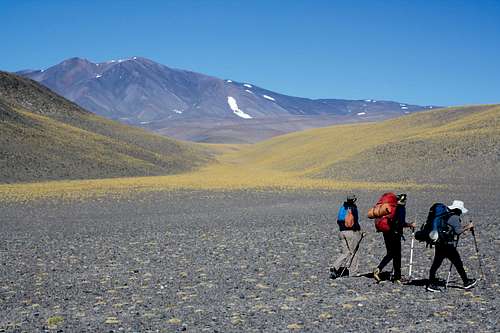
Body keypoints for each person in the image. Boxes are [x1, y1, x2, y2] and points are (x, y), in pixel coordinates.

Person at [426, 200, 477, 292]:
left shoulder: (445, 215)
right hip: (448, 245)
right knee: (458, 263)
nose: (461, 212)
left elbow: (453, 229)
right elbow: (457, 231)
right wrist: (468, 227)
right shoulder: (454, 217)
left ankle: (431, 283)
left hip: (440, 243)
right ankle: (466, 282)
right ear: (458, 210)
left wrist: (463, 228)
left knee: (436, 264)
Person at [373, 193, 416, 284]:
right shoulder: (400, 209)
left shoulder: (391, 208)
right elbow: (401, 223)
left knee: (390, 253)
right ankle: (397, 277)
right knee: (397, 256)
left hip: (386, 232)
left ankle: (378, 269)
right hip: (395, 234)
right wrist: (410, 225)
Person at [330, 194, 362, 278]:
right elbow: (355, 221)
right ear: (354, 200)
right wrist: (359, 231)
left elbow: (339, 220)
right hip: (350, 232)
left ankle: (335, 267)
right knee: (354, 252)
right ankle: (353, 272)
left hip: (341, 232)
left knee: (345, 252)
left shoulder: (342, 207)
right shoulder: (353, 208)